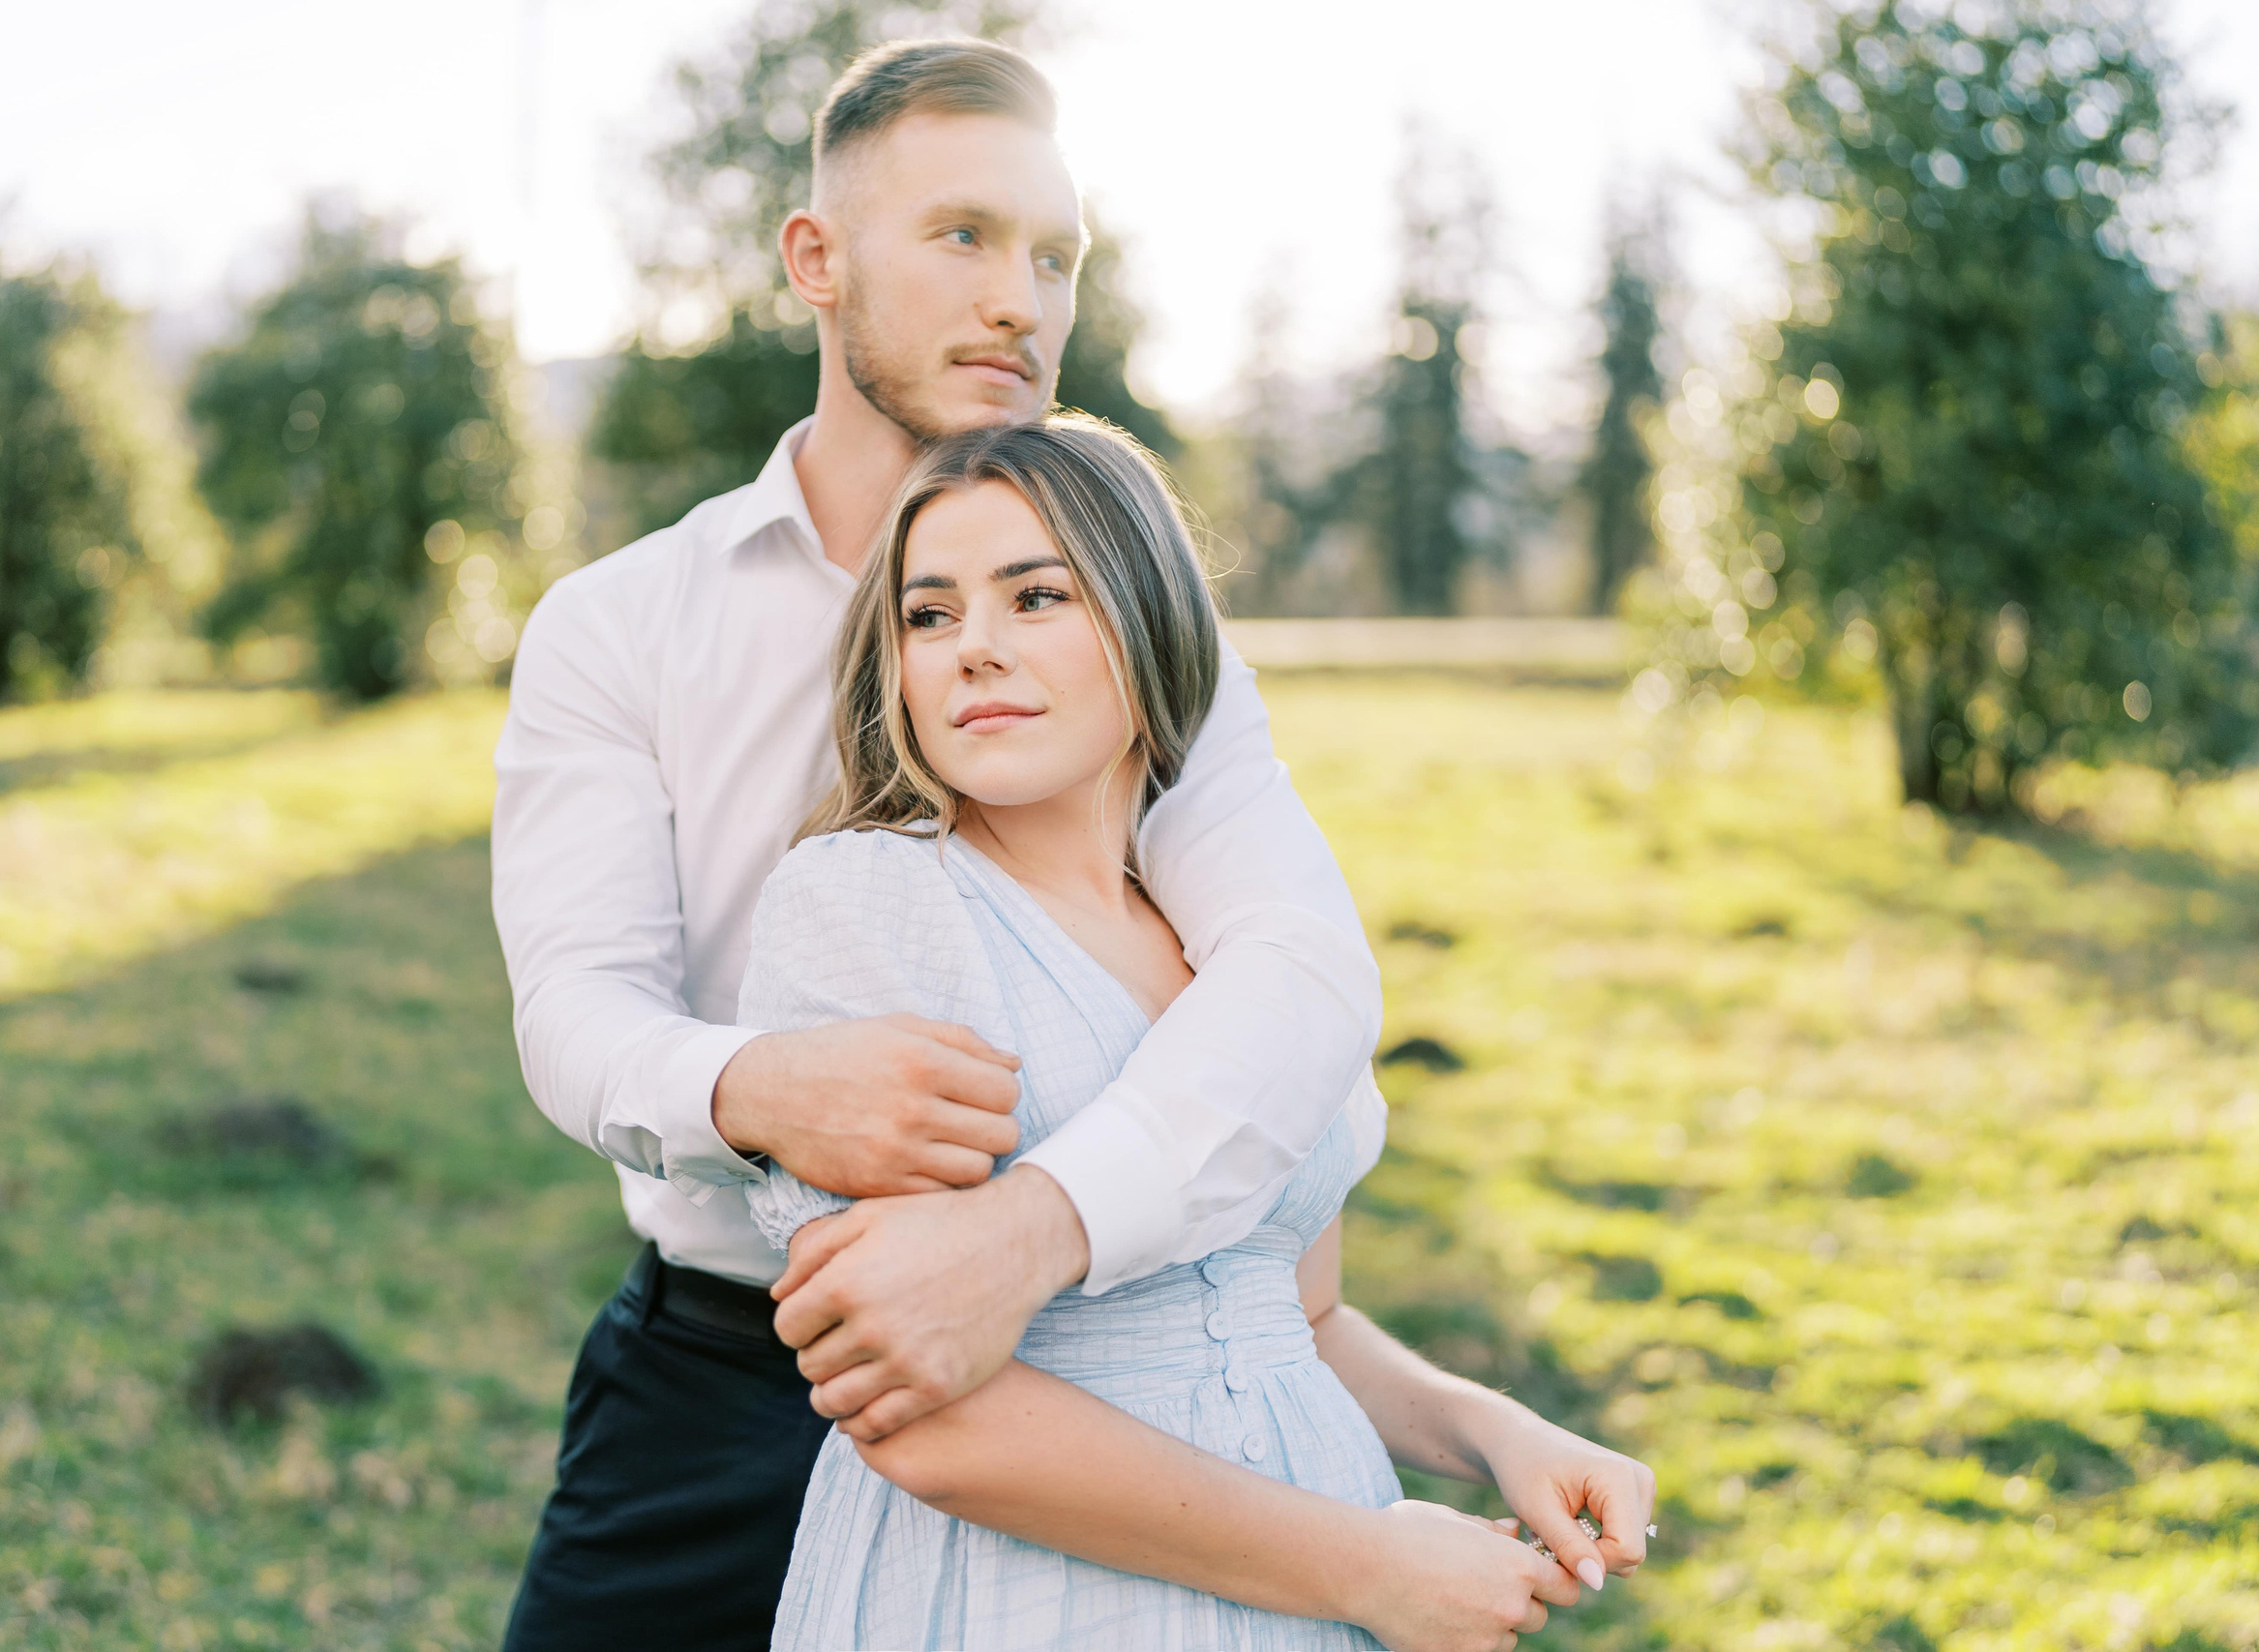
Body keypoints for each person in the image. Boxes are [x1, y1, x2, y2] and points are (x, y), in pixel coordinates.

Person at [489, 37, 1639, 1650]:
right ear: (815, 261)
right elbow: (574, 1010)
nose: (1021, 298)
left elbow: (1296, 972)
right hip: (730, 1368)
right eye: (962, 236)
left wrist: (1024, 1241)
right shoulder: (623, 627)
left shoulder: (1152, 648)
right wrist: (755, 1086)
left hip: (1123, 1354)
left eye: (1057, 256)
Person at [739, 414, 1651, 1651]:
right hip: (1032, 1598)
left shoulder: (1238, 940)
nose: (975, 651)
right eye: (929, 614)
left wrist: (1495, 1432)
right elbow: (921, 1418)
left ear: (1151, 616)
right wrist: (1359, 1568)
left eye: (1036, 596)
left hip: (1314, 1576)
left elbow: (1294, 1318)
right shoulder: (877, 903)